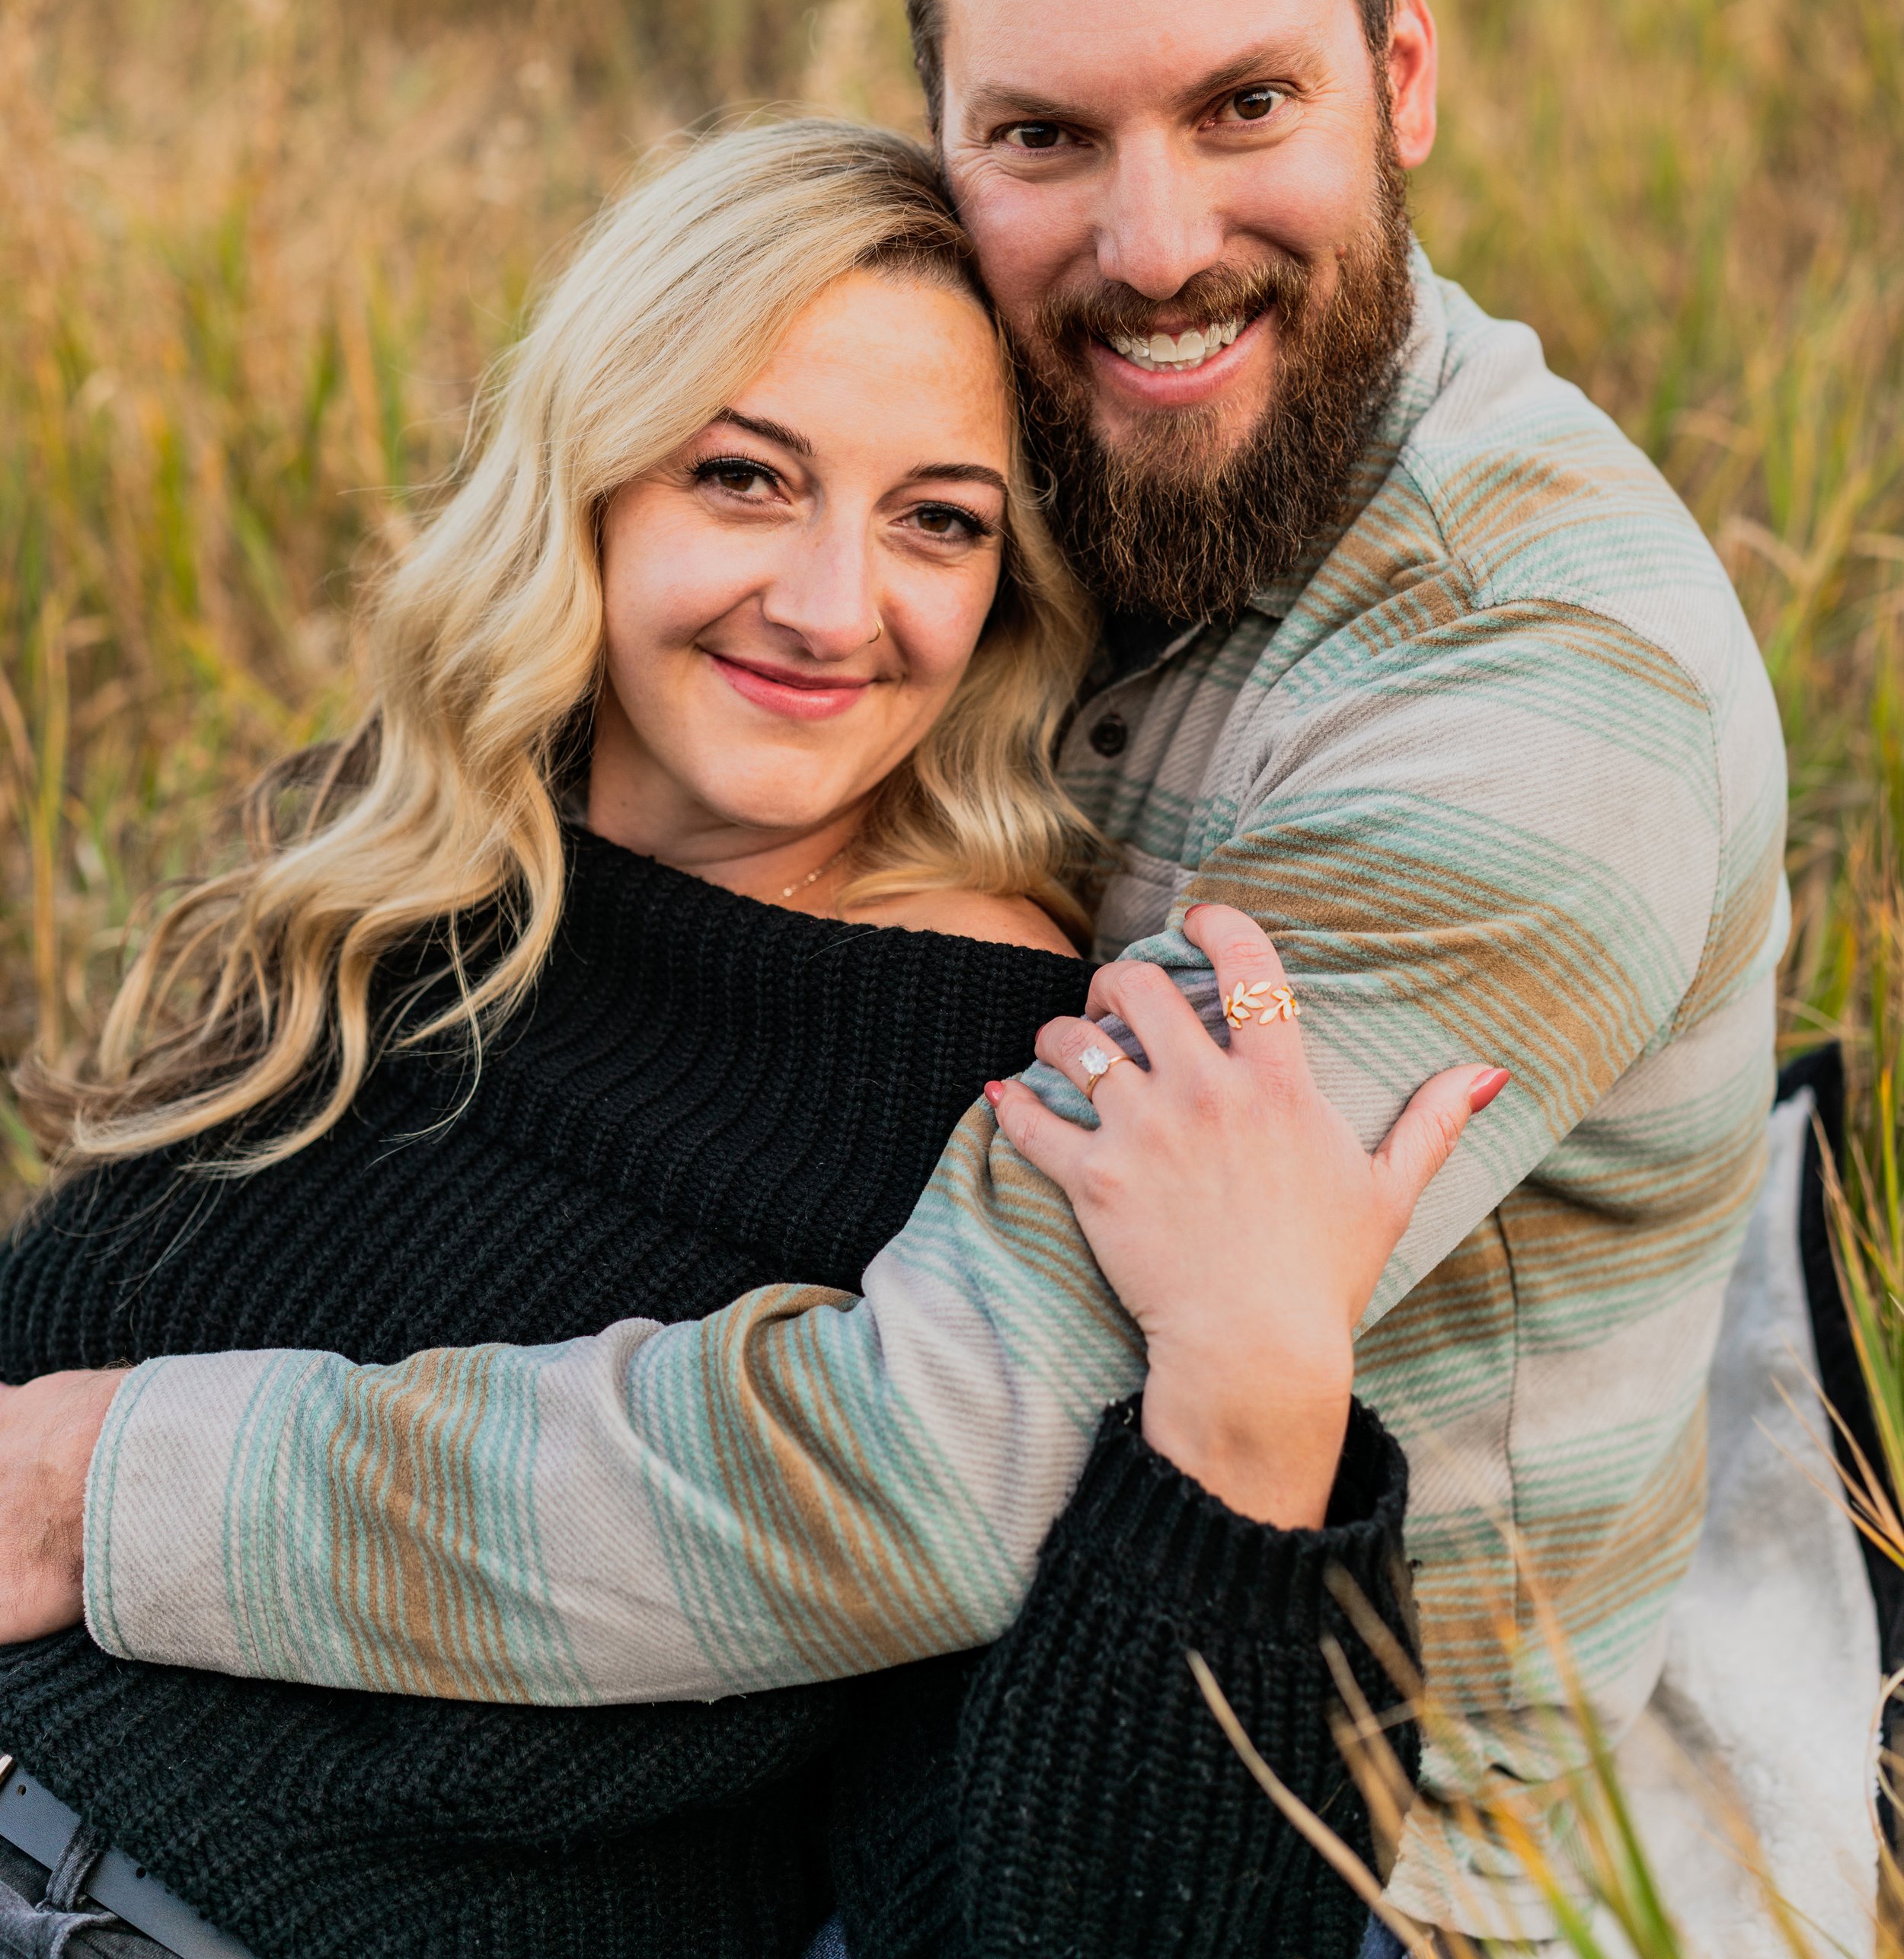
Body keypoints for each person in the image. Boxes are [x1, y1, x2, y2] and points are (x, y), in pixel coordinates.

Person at [0, 0, 1787, 1951]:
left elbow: (925, 1460)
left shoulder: (1538, 694)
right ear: (944, 126)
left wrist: (99, 1482)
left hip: (1301, 1826)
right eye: (1044, 134)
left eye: (1244, 103)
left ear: (1400, 74)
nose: (1151, 244)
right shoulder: (1088, 424)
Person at [0, 117, 1496, 1959]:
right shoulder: (421, 879)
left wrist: (1250, 1411)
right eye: (743, 477)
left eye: (936, 520)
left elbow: (1063, 1917)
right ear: (595, 482)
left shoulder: (1017, 1100)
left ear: (1008, 593)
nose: (825, 605)